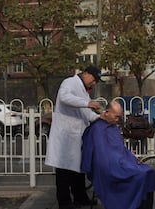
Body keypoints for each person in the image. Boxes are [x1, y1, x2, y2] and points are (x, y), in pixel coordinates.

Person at [81, 101, 155, 209]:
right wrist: (121, 161)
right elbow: (102, 154)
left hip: (121, 162)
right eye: (116, 117)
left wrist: (130, 157)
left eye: (119, 117)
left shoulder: (113, 127)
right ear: (106, 112)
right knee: (141, 176)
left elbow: (119, 148)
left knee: (150, 173)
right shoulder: (96, 129)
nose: (117, 120)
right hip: (109, 168)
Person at [45, 65, 103, 209]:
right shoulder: (69, 82)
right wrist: (87, 103)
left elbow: (87, 113)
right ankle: (64, 202)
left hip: (76, 137)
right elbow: (64, 98)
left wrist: (102, 117)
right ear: (87, 74)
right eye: (94, 79)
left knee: (78, 170)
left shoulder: (83, 91)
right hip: (65, 135)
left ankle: (80, 198)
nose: (94, 83)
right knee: (64, 172)